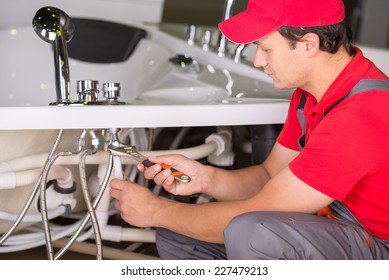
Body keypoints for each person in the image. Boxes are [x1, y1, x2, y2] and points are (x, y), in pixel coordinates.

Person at [110, 0, 389, 259]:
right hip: (336, 226)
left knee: (254, 233)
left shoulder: (360, 115)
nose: (258, 61)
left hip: (378, 245)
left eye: (265, 48)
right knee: (181, 235)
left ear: (308, 44)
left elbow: (261, 210)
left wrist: (155, 211)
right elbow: (269, 175)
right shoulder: (309, 95)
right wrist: (207, 178)